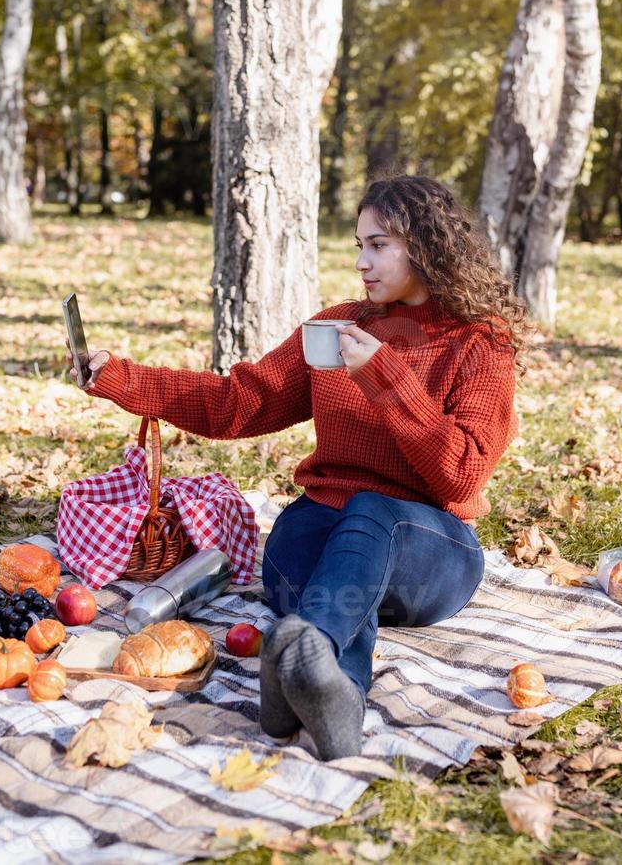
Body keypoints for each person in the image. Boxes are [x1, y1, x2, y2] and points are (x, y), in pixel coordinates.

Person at [66, 174, 531, 762]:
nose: (362, 262)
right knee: (315, 549)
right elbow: (238, 402)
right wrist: (119, 377)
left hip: (429, 554)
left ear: (427, 244)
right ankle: (332, 693)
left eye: (378, 244)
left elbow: (461, 475)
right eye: (359, 244)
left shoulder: (479, 344)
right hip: (321, 544)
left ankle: (305, 662)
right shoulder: (337, 326)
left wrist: (387, 380)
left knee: (369, 515)